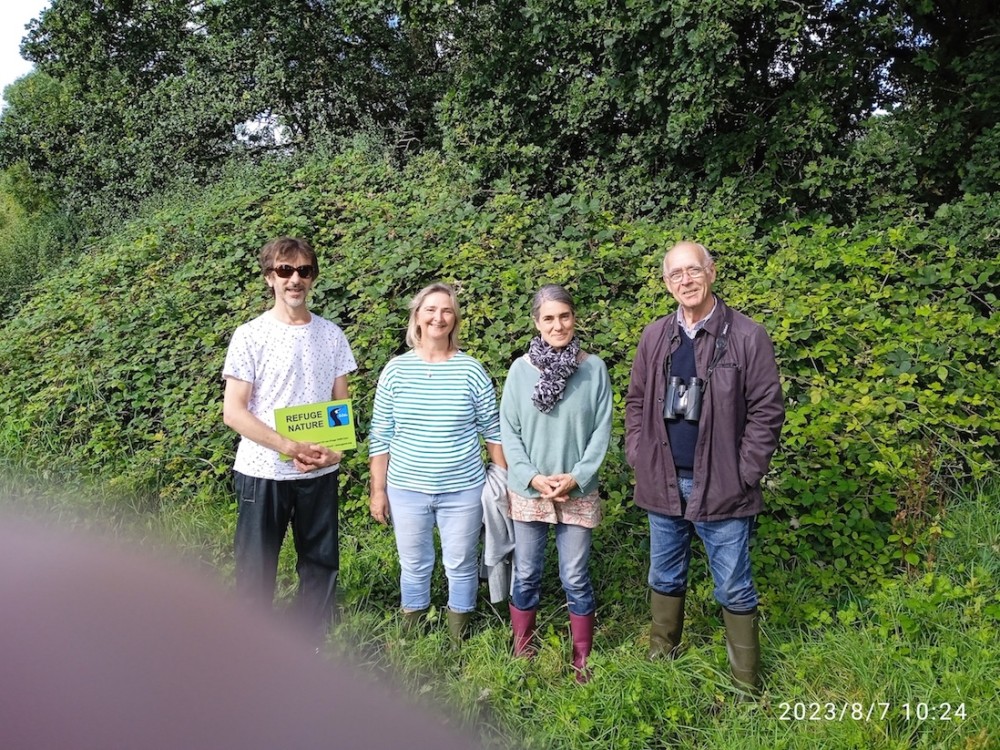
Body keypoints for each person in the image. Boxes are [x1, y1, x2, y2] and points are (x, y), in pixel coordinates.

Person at [625, 241, 784, 693]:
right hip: (663, 481)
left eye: (693, 271)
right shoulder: (655, 336)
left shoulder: (748, 335)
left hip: (723, 486)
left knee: (733, 585)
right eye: (676, 275)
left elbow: (767, 411)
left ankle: (745, 684)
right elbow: (636, 403)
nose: (685, 281)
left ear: (711, 273)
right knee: (664, 574)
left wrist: (743, 473)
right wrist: (639, 455)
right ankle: (662, 659)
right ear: (666, 283)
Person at [222, 237, 357, 643]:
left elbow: (341, 406)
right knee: (255, 568)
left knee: (320, 563)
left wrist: (334, 449)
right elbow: (234, 411)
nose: (294, 279)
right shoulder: (250, 336)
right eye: (285, 270)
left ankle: (310, 642)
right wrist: (289, 447)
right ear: (269, 277)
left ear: (313, 277)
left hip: (318, 470)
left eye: (304, 271)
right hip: (263, 472)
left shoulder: (332, 335)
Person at [368, 282, 505, 642]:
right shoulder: (395, 371)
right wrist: (377, 491)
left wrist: (504, 481)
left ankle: (459, 635)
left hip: (462, 489)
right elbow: (380, 435)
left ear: (455, 319)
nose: (438, 317)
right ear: (416, 317)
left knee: (460, 564)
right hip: (406, 488)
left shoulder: (471, 370)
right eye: (430, 310)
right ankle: (413, 633)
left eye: (446, 310)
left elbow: (493, 432)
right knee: (413, 564)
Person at [499, 285, 612, 682]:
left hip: (576, 490)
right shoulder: (519, 371)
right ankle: (523, 650)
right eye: (548, 318)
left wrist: (577, 476)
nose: (557, 324)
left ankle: (582, 658)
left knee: (575, 575)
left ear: (574, 318)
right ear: (536, 323)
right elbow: (508, 431)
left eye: (564, 316)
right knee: (527, 572)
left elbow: (602, 430)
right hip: (531, 488)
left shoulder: (593, 369)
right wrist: (531, 476)